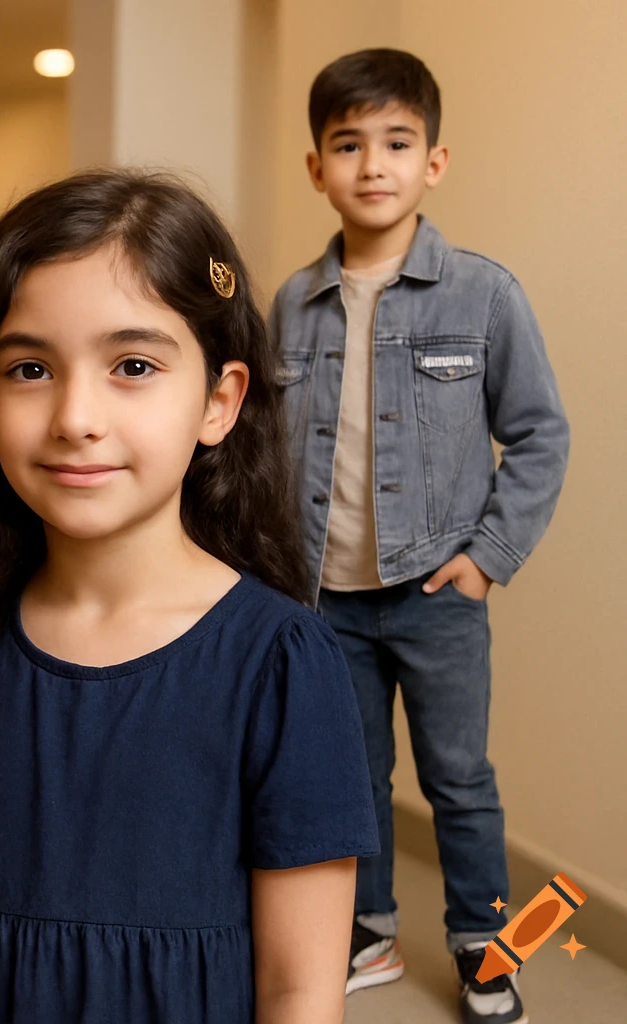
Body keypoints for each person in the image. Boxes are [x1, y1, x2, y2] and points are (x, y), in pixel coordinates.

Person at [0, 169, 379, 1023]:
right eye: (29, 368)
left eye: (132, 365)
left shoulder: (283, 665)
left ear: (219, 401)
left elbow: (301, 988)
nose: (75, 415)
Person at [272, 50, 569, 1024]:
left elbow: (539, 433)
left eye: (397, 143)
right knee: (352, 776)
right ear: (316, 166)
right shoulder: (291, 304)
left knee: (459, 778)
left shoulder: (482, 294)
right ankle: (369, 929)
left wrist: (488, 560)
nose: (373, 165)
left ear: (434, 161)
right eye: (347, 144)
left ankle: (487, 943)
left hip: (437, 595)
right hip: (328, 601)